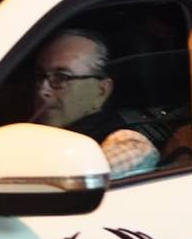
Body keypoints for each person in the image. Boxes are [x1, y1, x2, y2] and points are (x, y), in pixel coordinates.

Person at [30, 29, 175, 178]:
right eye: (39, 76)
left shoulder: (126, 144)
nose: (42, 90)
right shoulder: (30, 135)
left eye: (61, 77)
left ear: (101, 92)